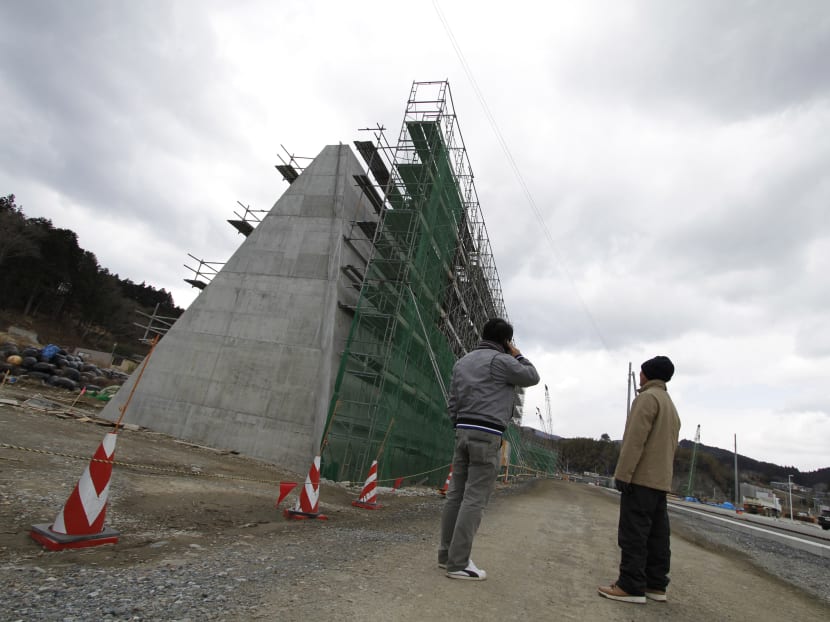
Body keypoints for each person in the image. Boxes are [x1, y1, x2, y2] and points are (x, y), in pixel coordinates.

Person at [438, 318, 540, 580]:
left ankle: (446, 555)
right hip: (487, 434)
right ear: (506, 341)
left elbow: (453, 400)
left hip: (462, 431)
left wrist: (458, 425)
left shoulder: (463, 361)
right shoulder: (502, 361)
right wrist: (518, 355)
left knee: (456, 495)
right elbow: (532, 376)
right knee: (474, 499)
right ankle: (459, 563)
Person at [598, 355, 681, 604]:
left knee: (634, 533)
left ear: (647, 374)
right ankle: (655, 585)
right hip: (660, 481)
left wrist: (623, 474)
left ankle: (630, 585)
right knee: (657, 535)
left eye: (643, 371)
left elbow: (634, 440)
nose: (640, 375)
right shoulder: (669, 404)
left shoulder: (646, 398)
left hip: (641, 478)